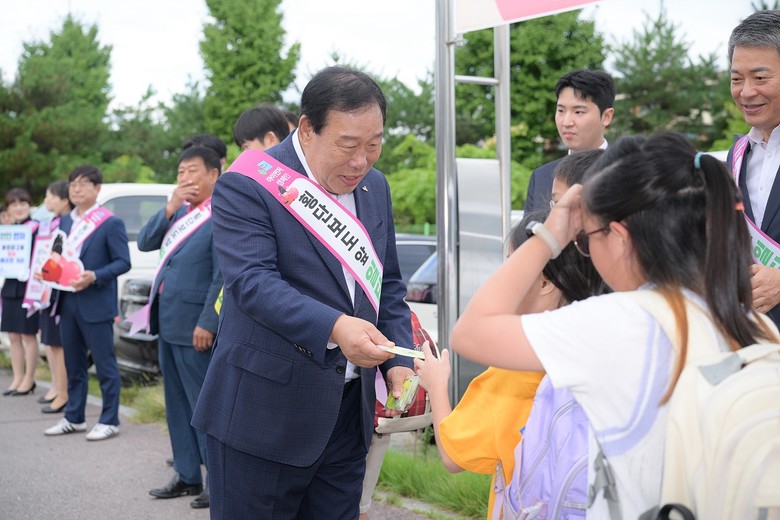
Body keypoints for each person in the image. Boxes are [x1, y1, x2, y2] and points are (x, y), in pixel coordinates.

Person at [450, 131, 779, 518]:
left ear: (620, 238)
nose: (585, 248)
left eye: (586, 238)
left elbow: (469, 333)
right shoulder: (753, 324)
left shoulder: (619, 323)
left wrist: (548, 237)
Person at [192, 66, 415, 519]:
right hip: (262, 417)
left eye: (374, 144)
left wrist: (398, 361)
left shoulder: (375, 187)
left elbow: (388, 284)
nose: (361, 161)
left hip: (346, 419)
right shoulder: (249, 182)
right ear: (308, 129)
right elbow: (253, 283)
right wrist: (336, 327)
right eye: (348, 145)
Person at [415, 204, 605, 518]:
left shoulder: (514, 374)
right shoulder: (600, 345)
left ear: (544, 282)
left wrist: (436, 384)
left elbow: (451, 457)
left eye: (513, 265)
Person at [140, 146, 222, 510]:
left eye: (192, 171)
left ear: (214, 175)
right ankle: (187, 474)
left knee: (203, 406)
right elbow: (146, 242)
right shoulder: (180, 214)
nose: (185, 178)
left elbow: (223, 276)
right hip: (169, 322)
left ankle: (216, 481)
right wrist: (170, 206)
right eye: (180, 173)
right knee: (176, 405)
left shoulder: (220, 213)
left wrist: (208, 321)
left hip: (196, 328)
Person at [43, 165, 131, 441]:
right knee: (74, 363)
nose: (76, 189)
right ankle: (74, 416)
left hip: (96, 302)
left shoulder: (110, 222)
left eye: (83, 183)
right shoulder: (65, 222)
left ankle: (110, 420)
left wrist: (94, 276)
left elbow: (123, 262)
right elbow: (58, 258)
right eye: (72, 184)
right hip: (68, 302)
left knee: (105, 365)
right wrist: (46, 271)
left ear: (97, 188)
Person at [727, 10, 780, 329]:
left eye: (760, 78)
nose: (746, 92)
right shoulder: (736, 157)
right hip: (753, 337)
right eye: (737, 79)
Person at [524, 69, 615, 211]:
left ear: (606, 117)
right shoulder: (541, 177)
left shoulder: (629, 173)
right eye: (561, 110)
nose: (566, 122)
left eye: (579, 112)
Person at [38, 180, 73, 413]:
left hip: (59, 292)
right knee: (50, 342)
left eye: (50, 196)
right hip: (46, 289)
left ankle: (63, 392)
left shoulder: (67, 224)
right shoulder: (50, 223)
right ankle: (55, 386)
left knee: (57, 344)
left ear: (63, 199)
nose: (46, 201)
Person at [1, 188, 40, 397]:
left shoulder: (37, 230)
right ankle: (17, 378)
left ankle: (29, 379)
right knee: (13, 335)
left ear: (29, 205)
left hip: (29, 288)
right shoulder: (7, 232)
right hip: (10, 287)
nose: (18, 208)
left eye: (22, 203)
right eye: (13, 204)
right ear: (7, 209)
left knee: (28, 334)